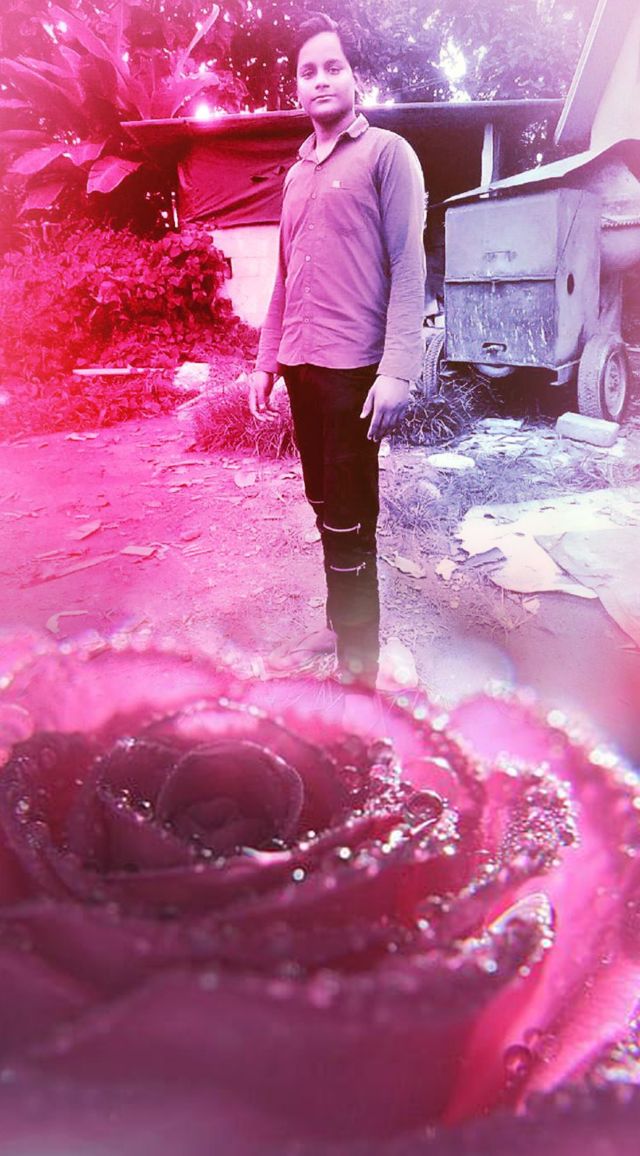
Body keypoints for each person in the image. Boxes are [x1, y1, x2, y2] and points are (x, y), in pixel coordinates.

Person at [247, 13, 426, 689]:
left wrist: (398, 368)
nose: (321, 79)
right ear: (297, 88)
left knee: (352, 519)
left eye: (333, 67)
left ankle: (360, 670)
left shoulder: (386, 154)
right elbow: (283, 274)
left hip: (355, 373)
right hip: (301, 367)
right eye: (309, 71)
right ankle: (338, 624)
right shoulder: (296, 175)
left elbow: (408, 265)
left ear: (355, 80)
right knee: (325, 508)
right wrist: (266, 361)